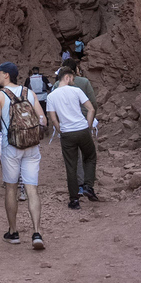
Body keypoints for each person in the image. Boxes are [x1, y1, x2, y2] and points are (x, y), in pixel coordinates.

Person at [0, 62, 46, 250]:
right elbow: (42, 119)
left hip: (11, 147)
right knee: (32, 190)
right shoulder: (29, 93)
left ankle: (13, 232)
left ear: (6, 75)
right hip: (31, 146)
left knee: (11, 189)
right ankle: (37, 233)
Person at [47, 67, 99, 210]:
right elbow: (91, 109)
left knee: (71, 166)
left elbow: (53, 118)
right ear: (68, 77)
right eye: (73, 78)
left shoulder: (51, 96)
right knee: (90, 157)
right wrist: (88, 126)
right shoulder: (76, 91)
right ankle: (88, 185)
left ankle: (74, 200)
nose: (73, 81)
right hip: (82, 129)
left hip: (67, 133)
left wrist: (60, 130)